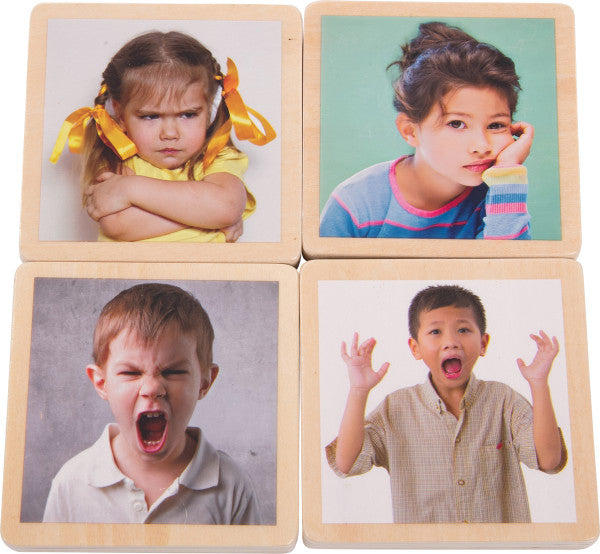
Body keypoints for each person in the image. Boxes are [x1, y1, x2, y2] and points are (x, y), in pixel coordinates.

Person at [326, 285, 567, 523]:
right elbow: (346, 463)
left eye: (463, 330)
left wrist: (539, 384)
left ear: (483, 343)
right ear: (415, 348)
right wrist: (358, 391)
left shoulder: (503, 400)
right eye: (435, 332)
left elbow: (549, 460)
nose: (451, 342)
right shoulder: (396, 408)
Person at [43, 283, 262, 524]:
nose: (152, 388)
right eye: (131, 373)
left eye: (173, 371)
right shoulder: (71, 483)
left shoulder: (232, 486)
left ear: (204, 382)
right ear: (101, 383)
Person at [50, 31, 275, 243]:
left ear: (211, 109)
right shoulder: (116, 158)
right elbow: (118, 223)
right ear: (120, 114)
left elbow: (225, 206)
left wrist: (130, 189)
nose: (170, 133)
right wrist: (210, 219)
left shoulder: (219, 158)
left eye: (188, 115)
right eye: (150, 117)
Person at [320, 22, 532, 239]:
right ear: (410, 130)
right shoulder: (356, 204)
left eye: (495, 125)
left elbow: (509, 271)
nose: (482, 146)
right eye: (456, 124)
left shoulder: (500, 195)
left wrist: (507, 171)